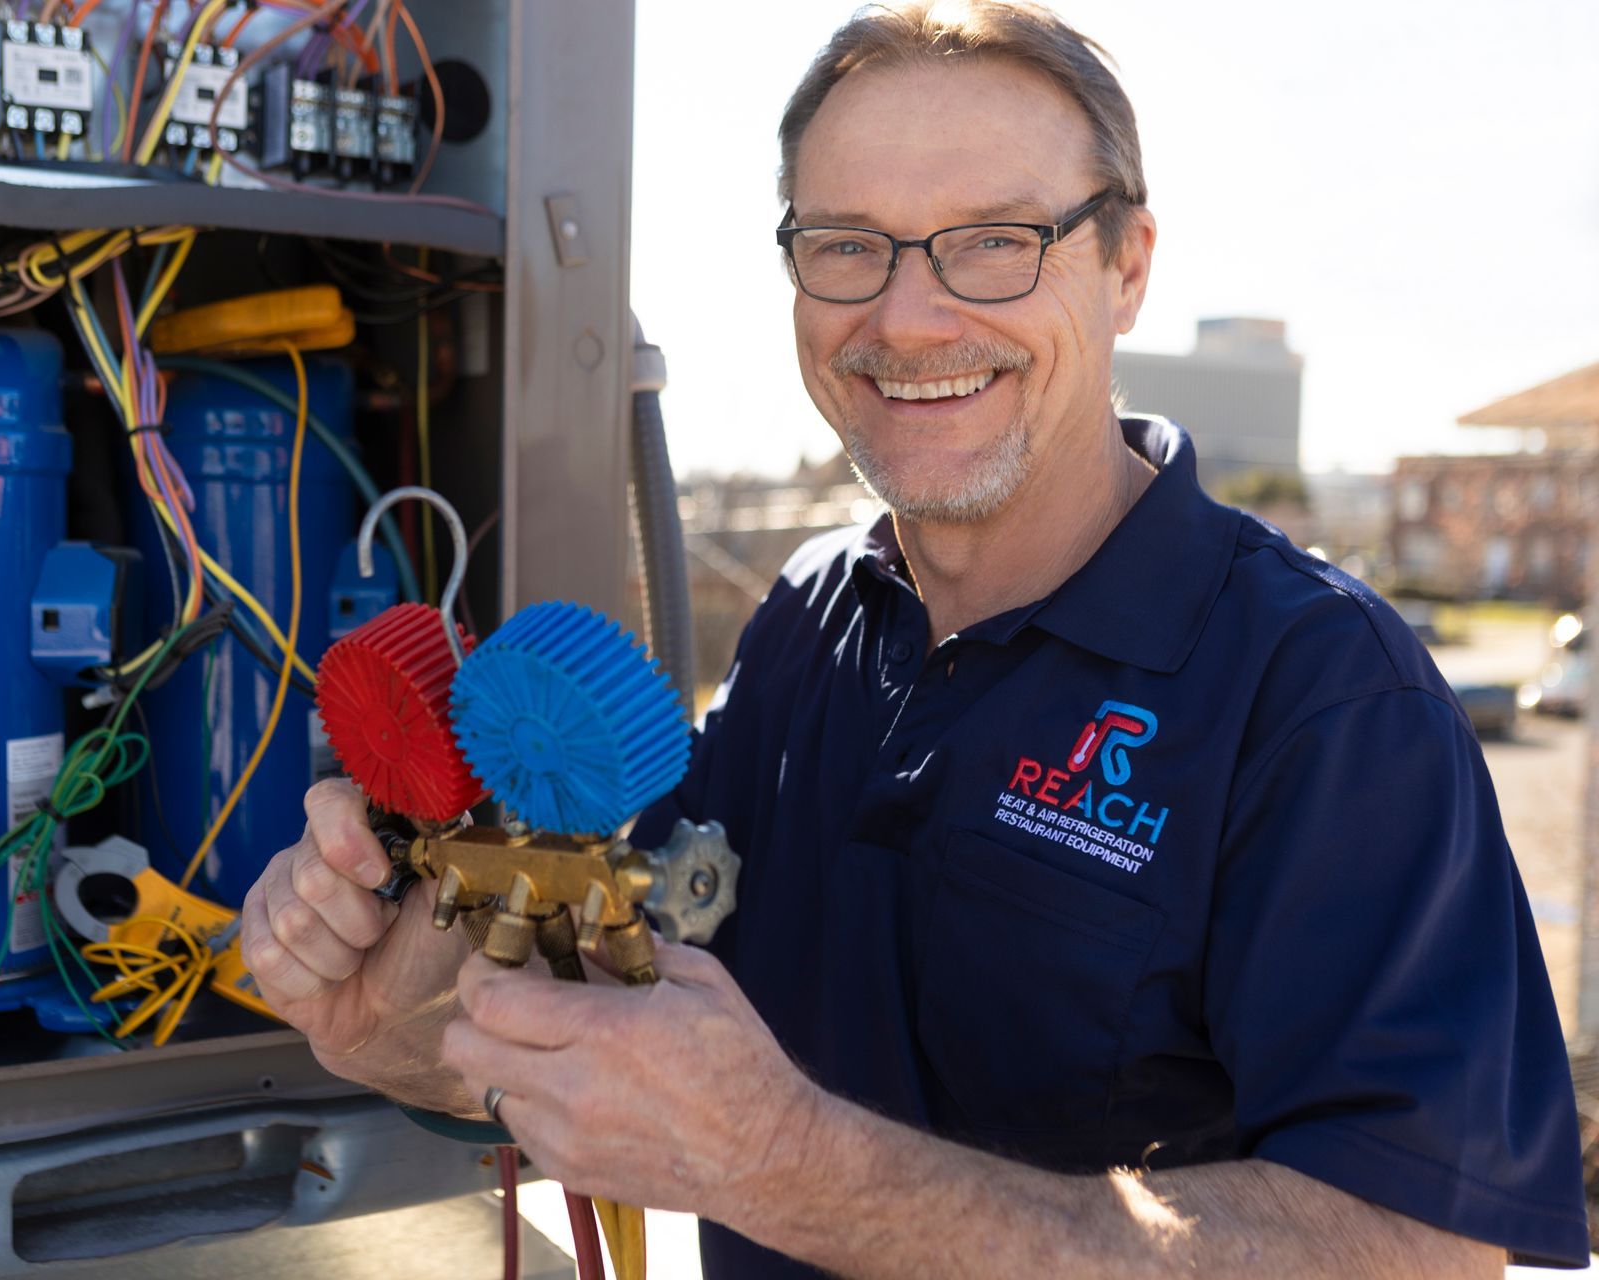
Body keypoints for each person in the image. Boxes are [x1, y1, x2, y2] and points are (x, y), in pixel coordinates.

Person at [239, 3, 1590, 1274]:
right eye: (847, 244)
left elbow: (1419, 1249)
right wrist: (381, 1019)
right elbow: (607, 1051)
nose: (908, 315)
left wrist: (793, 1165)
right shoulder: (807, 631)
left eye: (996, 238)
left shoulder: (1321, 695)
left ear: (1126, 267)